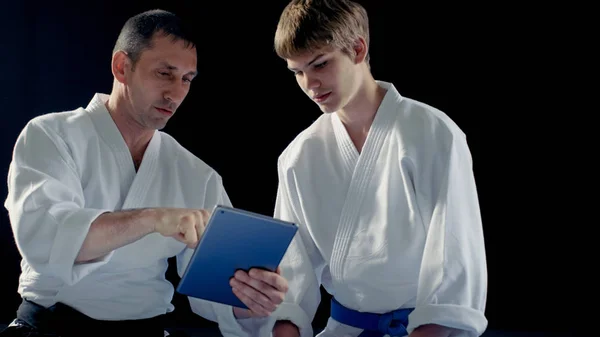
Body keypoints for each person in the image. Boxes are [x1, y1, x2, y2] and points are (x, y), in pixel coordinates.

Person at [1, 9, 288, 337]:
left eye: (186, 79)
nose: (176, 93)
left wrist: (249, 298)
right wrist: (152, 218)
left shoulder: (196, 174)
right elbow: (47, 240)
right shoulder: (51, 135)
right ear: (122, 67)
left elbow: (216, 289)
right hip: (50, 326)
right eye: (165, 73)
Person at [230, 1, 488, 337]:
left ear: (357, 49)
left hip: (427, 330)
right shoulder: (299, 155)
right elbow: (293, 275)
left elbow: (455, 262)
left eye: (320, 64)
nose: (310, 84)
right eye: (297, 72)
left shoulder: (432, 134)